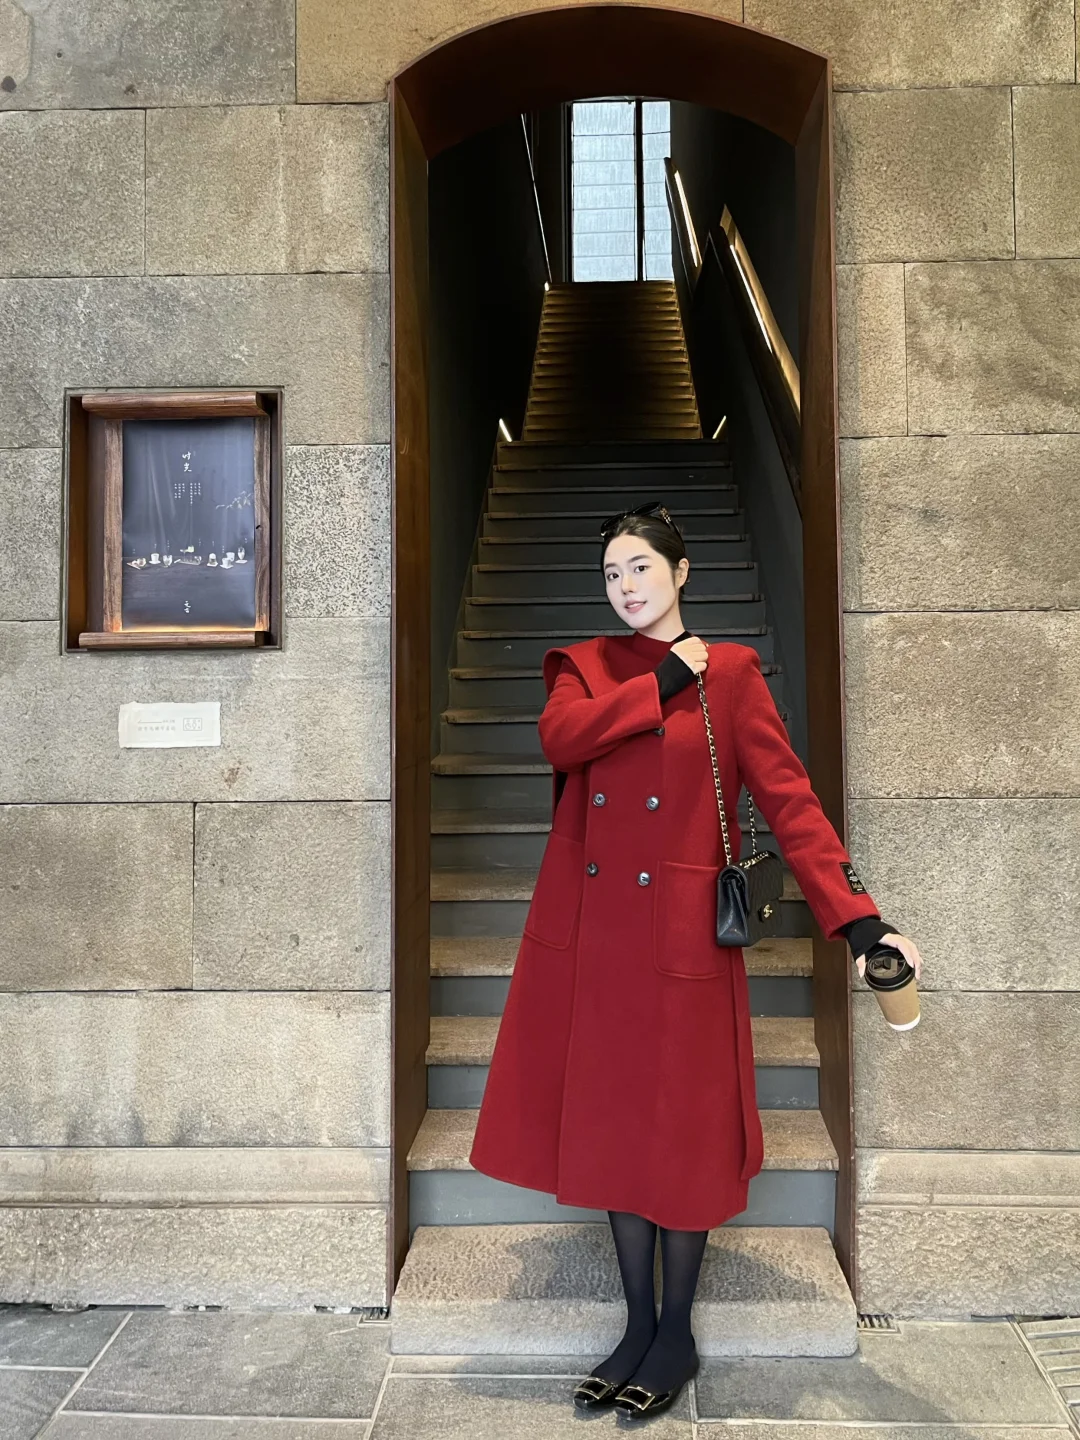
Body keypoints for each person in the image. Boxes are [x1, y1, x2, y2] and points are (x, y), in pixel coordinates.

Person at [468, 502, 923, 1424]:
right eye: (611, 573)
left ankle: (675, 1332)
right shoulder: (583, 668)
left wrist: (858, 919)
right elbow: (563, 741)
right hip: (595, 938)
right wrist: (666, 679)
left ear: (681, 573)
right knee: (613, 1129)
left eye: (640, 567)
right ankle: (637, 1323)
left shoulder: (737, 675)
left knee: (675, 1133)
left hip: (680, 939)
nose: (625, 586)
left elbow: (791, 803)